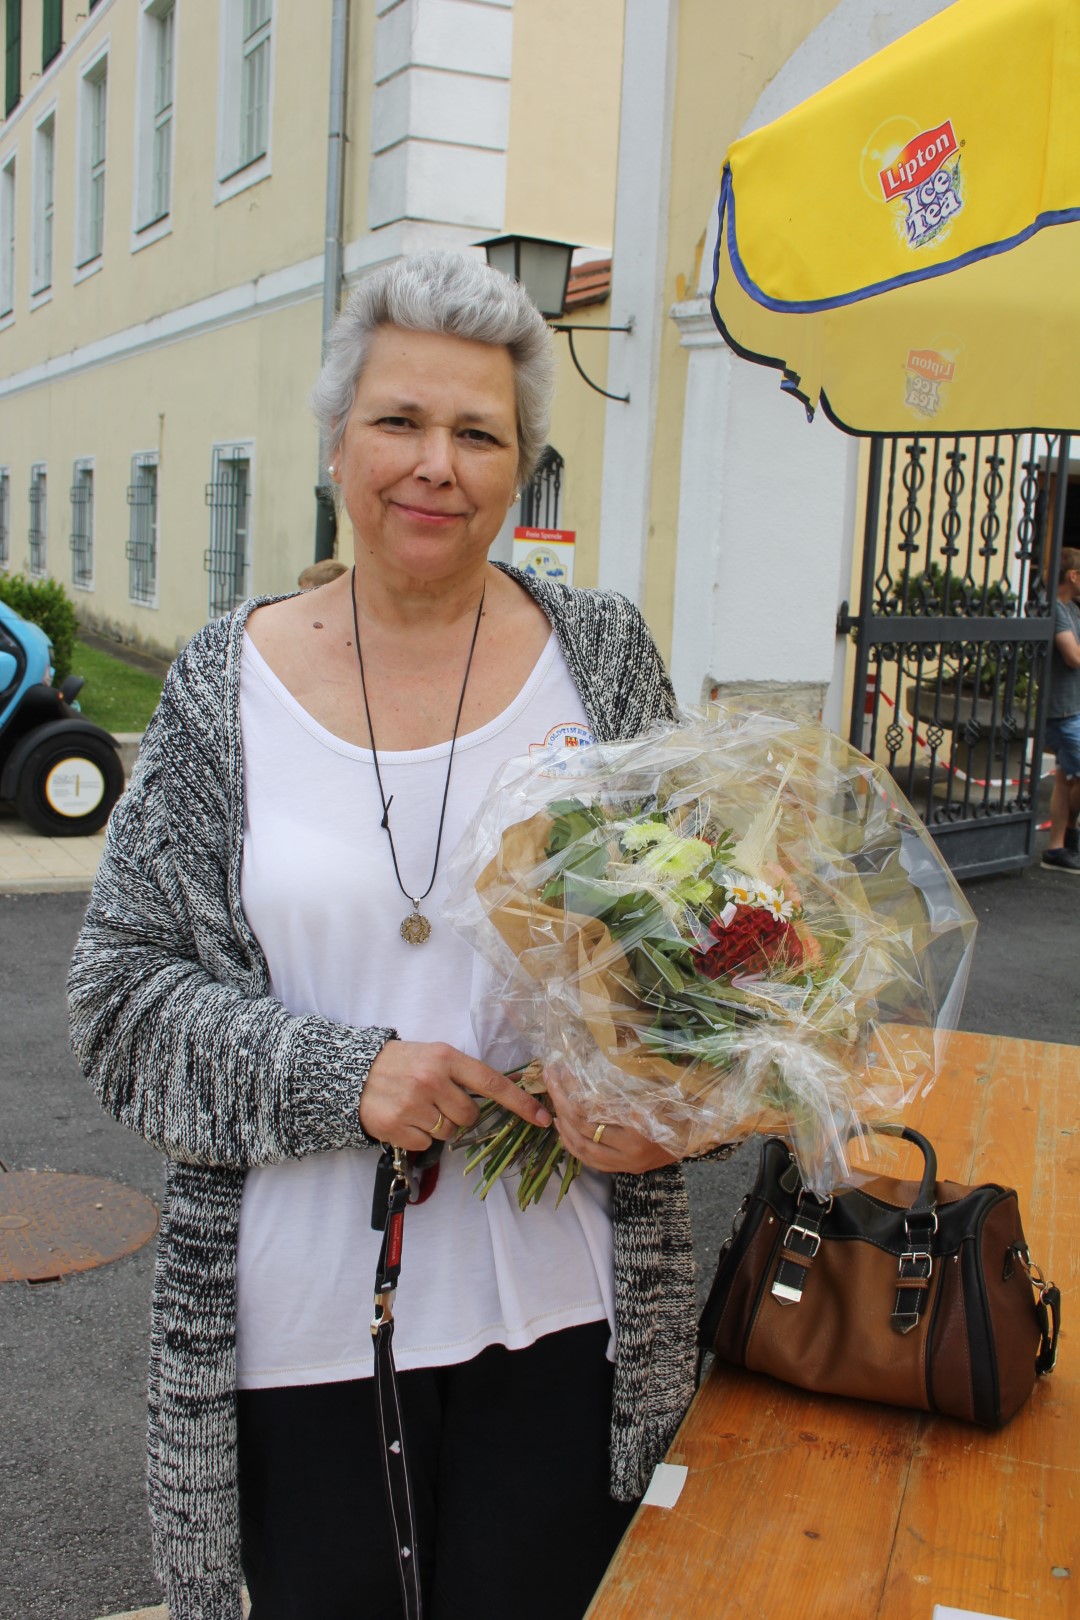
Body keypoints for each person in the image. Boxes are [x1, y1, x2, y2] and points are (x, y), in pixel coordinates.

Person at [69, 253, 709, 1620]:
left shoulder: (603, 662)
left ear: (521, 464)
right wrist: (344, 1075)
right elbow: (118, 1003)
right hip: (295, 1334)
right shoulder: (222, 682)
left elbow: (707, 967)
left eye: (478, 433)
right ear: (335, 443)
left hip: (571, 1323)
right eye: (399, 423)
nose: (437, 465)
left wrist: (679, 1107)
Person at [1041, 545, 1080, 873]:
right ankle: (1066, 834)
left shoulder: (1073, 609)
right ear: (1073, 575)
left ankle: (1057, 846)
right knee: (1069, 777)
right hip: (1063, 711)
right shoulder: (1055, 609)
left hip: (1074, 707)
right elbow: (1074, 656)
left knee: (1066, 779)